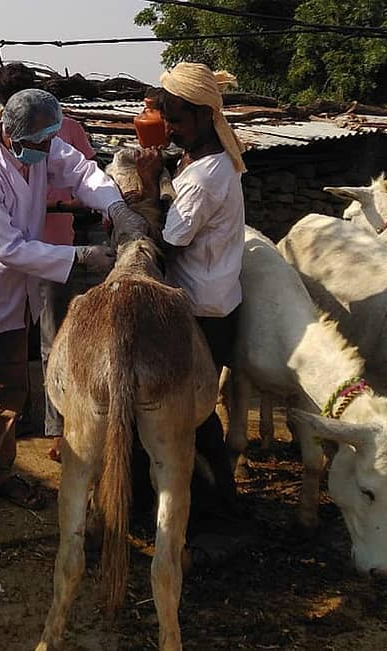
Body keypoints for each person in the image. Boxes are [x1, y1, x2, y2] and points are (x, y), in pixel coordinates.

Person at [0, 88, 146, 536]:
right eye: (41, 143)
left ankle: (0, 474)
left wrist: (116, 206)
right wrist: (81, 258)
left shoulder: (40, 144)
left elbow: (82, 170)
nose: (48, 151)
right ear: (10, 135)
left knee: (8, 389)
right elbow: (9, 248)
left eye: (50, 142)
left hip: (15, 293)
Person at [135, 62, 247, 519]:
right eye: (167, 119)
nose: (171, 128)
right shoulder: (199, 158)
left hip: (202, 309)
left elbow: (169, 241)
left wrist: (145, 187)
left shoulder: (206, 175)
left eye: (178, 120)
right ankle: (215, 500)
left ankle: (215, 505)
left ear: (204, 116)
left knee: (191, 413)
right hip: (210, 297)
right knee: (192, 410)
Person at [40, 116, 98, 462]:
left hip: (56, 248)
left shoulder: (70, 127)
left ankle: (57, 426)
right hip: (16, 250)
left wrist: (63, 204)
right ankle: (13, 418)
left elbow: (88, 175)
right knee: (11, 341)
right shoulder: (1, 132)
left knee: (52, 341)